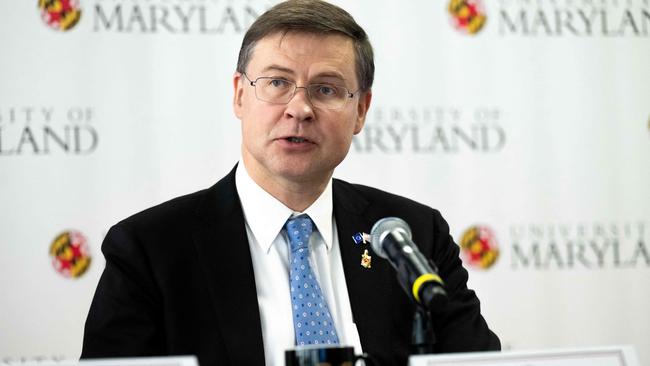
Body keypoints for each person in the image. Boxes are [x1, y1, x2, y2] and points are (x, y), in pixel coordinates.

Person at [81, 1, 500, 365]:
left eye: (326, 89)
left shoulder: (410, 234)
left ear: (361, 111)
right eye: (277, 83)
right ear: (239, 95)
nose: (299, 109)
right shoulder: (151, 248)